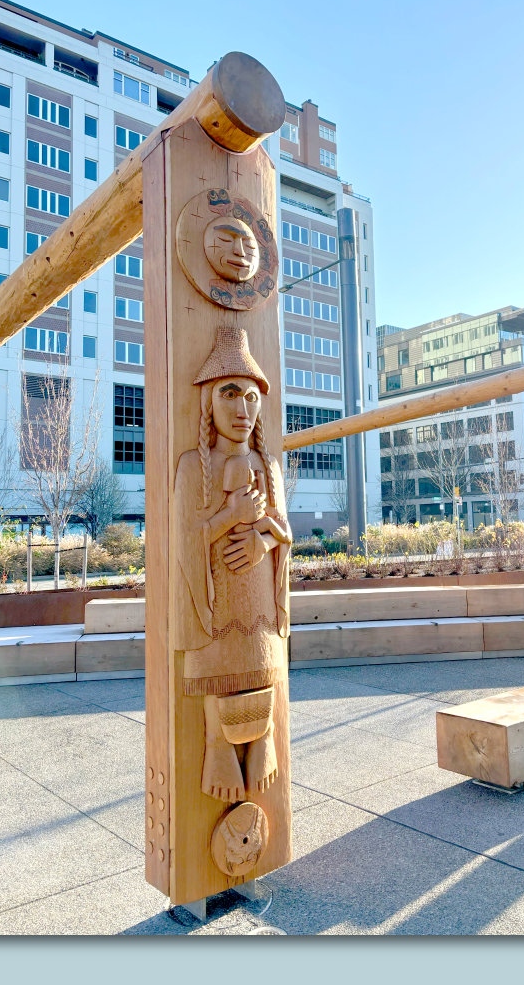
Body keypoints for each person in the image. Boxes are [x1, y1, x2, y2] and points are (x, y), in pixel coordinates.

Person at [172, 327, 292, 804]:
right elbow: (184, 543)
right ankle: (217, 743)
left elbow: (285, 529)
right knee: (220, 661)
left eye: (250, 397)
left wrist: (263, 537)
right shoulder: (191, 467)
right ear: (208, 401)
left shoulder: (270, 465)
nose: (243, 409)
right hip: (217, 597)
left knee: (261, 658)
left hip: (260, 591)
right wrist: (230, 516)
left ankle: (263, 737)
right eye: (229, 394)